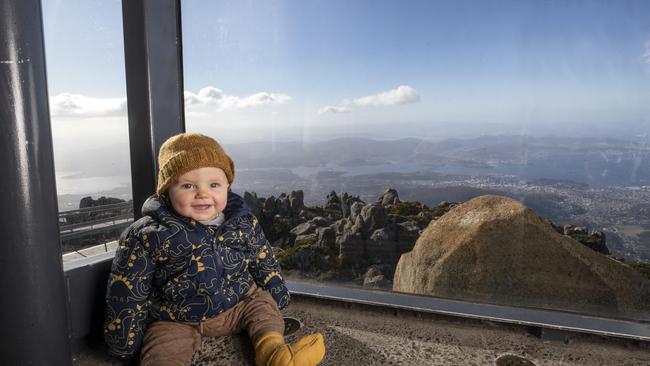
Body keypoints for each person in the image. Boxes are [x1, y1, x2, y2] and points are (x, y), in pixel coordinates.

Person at [104, 133, 326, 366]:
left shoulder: (242, 222)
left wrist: (277, 295)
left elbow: (263, 259)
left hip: (238, 304)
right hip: (175, 317)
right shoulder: (147, 235)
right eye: (188, 185)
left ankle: (273, 352)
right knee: (161, 345)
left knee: (263, 309)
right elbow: (128, 288)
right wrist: (123, 343)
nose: (202, 193)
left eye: (214, 184)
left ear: (227, 187)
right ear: (166, 190)